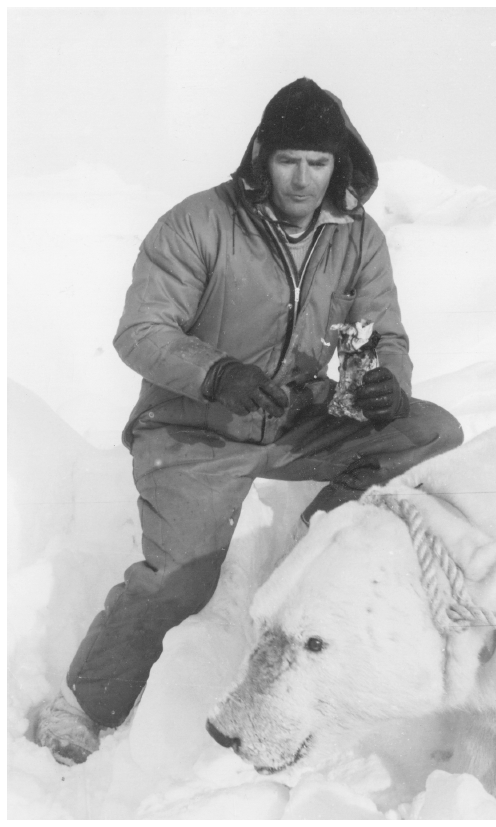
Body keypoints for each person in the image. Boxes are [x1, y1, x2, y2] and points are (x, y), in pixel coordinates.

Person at [35, 78, 463, 765]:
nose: (302, 178)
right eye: (288, 159)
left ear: (338, 165)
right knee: (181, 577)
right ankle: (83, 703)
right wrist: (215, 373)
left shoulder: (358, 236)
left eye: (318, 162)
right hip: (194, 429)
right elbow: (139, 331)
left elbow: (388, 335)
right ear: (261, 155)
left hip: (297, 416)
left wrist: (390, 383)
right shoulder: (200, 222)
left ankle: (313, 541)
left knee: (431, 431)